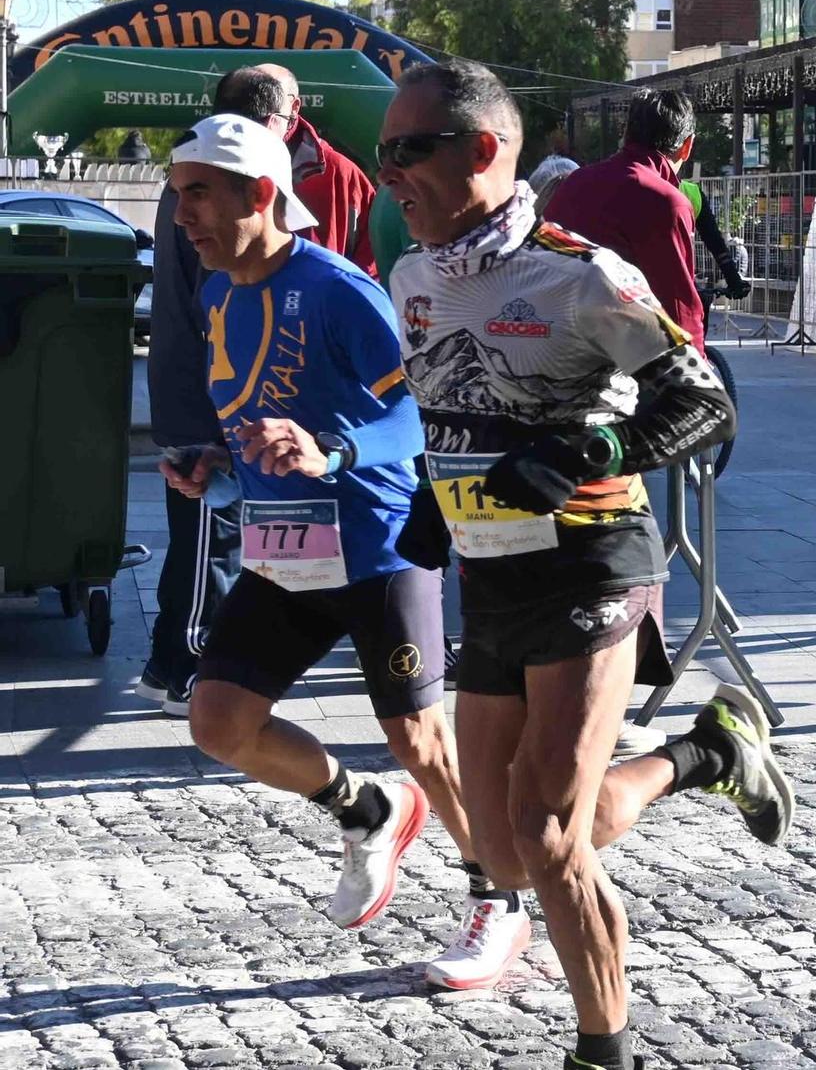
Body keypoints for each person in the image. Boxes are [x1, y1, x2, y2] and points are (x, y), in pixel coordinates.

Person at [380, 59, 790, 1070]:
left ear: (484, 149)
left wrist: (585, 450)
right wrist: (436, 505)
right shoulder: (411, 276)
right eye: (381, 153)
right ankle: (703, 754)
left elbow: (703, 400)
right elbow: (443, 410)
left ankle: (601, 1052)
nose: (390, 174)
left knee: (552, 837)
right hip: (493, 576)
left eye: (407, 151)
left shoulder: (579, 272)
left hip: (593, 563)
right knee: (509, 844)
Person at [161, 113, 522, 989]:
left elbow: (414, 413)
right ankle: (365, 809)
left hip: (378, 543)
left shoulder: (337, 289)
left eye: (200, 195)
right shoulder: (217, 294)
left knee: (421, 739)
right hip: (282, 549)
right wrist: (219, 459)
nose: (184, 218)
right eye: (178, 199)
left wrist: (335, 450)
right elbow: (254, 407)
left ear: (260, 194)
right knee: (218, 721)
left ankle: (499, 899)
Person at [139, 69, 317, 715]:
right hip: (204, 394)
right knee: (206, 543)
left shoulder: (188, 178)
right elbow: (215, 299)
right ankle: (185, 664)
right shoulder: (207, 186)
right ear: (272, 122)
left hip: (195, 387)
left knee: (204, 537)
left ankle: (170, 661)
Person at [544, 87, 707, 357]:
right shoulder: (666, 201)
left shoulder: (574, 184)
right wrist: (698, 380)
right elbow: (678, 306)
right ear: (687, 146)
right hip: (622, 364)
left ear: (626, 134)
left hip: (553, 351)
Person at [243, 62, 379, 274]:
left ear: (294, 107)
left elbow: (371, 268)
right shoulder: (217, 166)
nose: (258, 109)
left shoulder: (340, 174)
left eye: (269, 98)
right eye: (250, 99)